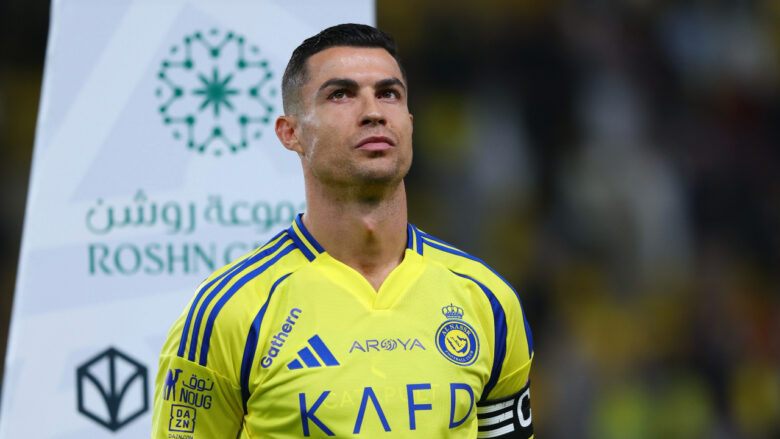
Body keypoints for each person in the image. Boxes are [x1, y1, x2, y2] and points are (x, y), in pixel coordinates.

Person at [152, 23, 534, 438]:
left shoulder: (487, 299)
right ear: (291, 133)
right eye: (341, 94)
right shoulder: (230, 312)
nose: (373, 112)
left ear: (409, 124)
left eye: (388, 94)